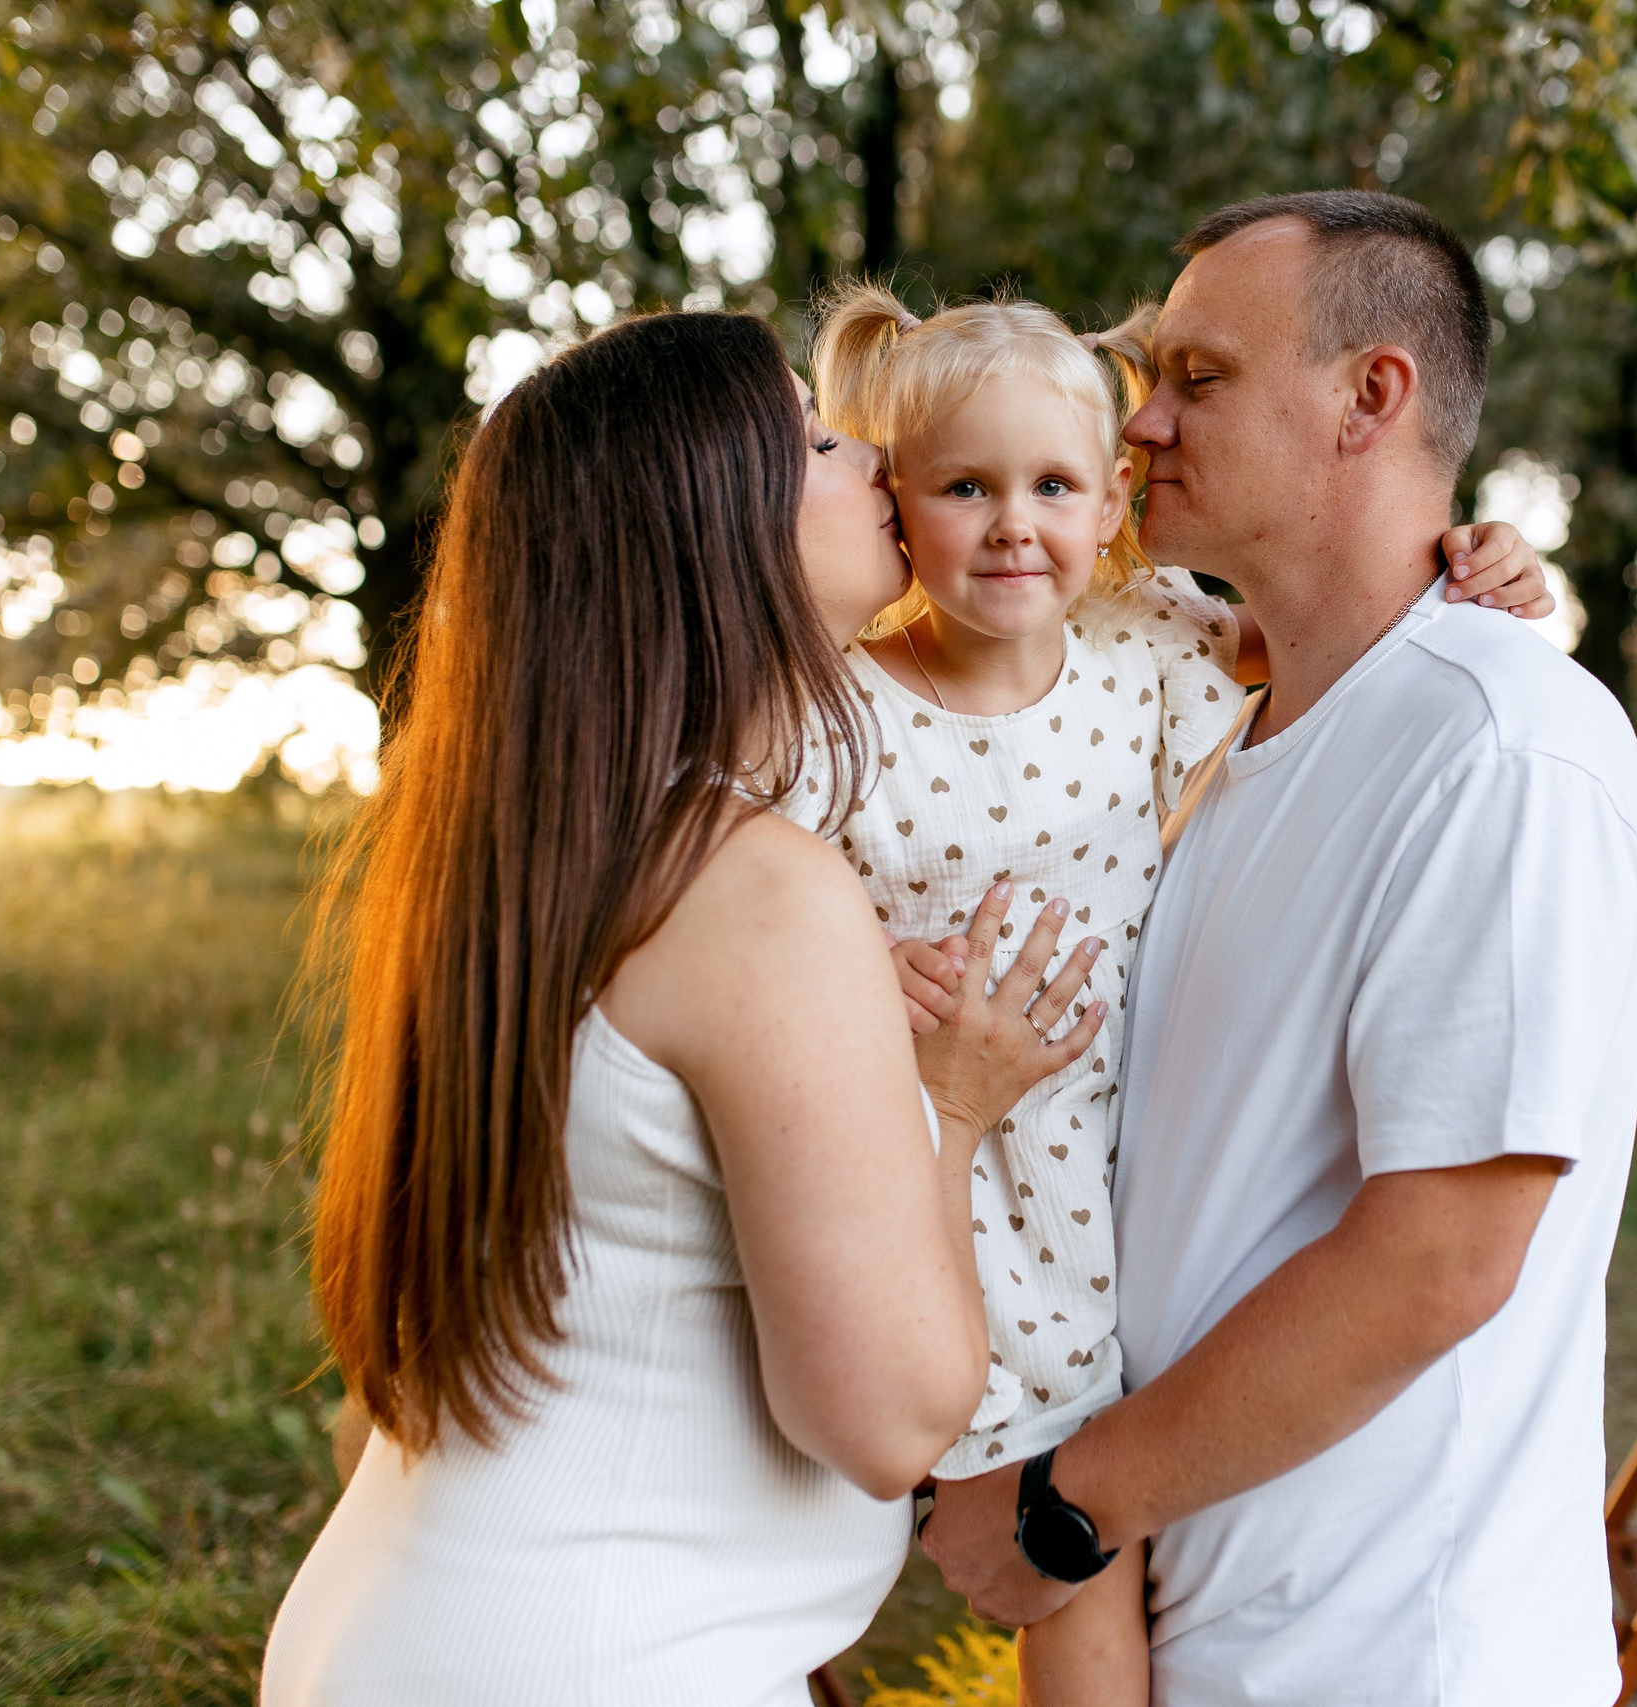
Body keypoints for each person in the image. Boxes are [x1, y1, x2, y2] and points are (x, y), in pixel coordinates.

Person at [259, 311, 1105, 1707]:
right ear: (713, 528)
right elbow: (888, 1417)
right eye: (818, 442)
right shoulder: (754, 888)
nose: (875, 453)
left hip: (401, 1634)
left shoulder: (516, 864)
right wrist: (953, 1102)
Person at [919, 191, 1637, 1706]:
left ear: (1370, 398)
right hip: (1213, 1639)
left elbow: (1441, 1262)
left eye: (1198, 378)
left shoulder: (1501, 746)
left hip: (1395, 1666)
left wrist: (1065, 1507)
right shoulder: (1225, 744)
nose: (1139, 431)